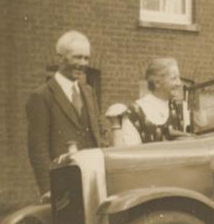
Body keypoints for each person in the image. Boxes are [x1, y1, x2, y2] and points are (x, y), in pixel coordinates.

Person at [26, 30, 105, 194]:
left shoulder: (89, 92)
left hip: (93, 179)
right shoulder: (42, 96)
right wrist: (48, 189)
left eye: (86, 58)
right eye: (77, 57)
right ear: (60, 57)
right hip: (62, 183)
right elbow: (38, 148)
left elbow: (98, 133)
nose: (82, 63)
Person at [115, 58, 185, 146]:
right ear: (157, 83)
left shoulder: (177, 108)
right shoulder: (134, 113)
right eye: (174, 78)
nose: (179, 83)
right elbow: (131, 155)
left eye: (179, 78)